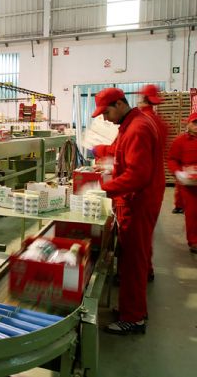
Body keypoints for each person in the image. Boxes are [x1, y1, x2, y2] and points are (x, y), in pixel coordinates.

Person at [92, 87, 164, 335]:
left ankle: (133, 319)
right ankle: (133, 308)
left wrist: (103, 188)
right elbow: (119, 152)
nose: (104, 118)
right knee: (131, 258)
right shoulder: (130, 124)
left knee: (133, 261)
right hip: (136, 200)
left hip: (138, 203)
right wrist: (100, 152)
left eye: (106, 111)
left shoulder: (138, 128)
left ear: (120, 104)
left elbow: (137, 175)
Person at [136, 84, 168, 280]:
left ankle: (142, 272)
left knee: (138, 237)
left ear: (142, 99)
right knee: (146, 233)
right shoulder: (160, 123)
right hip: (157, 183)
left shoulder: (140, 123)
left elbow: (136, 162)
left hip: (143, 187)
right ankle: (147, 268)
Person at [167, 112, 197, 254]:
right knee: (192, 213)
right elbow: (172, 159)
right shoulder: (180, 141)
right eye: (195, 123)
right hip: (189, 185)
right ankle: (194, 241)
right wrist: (178, 172)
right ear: (189, 124)